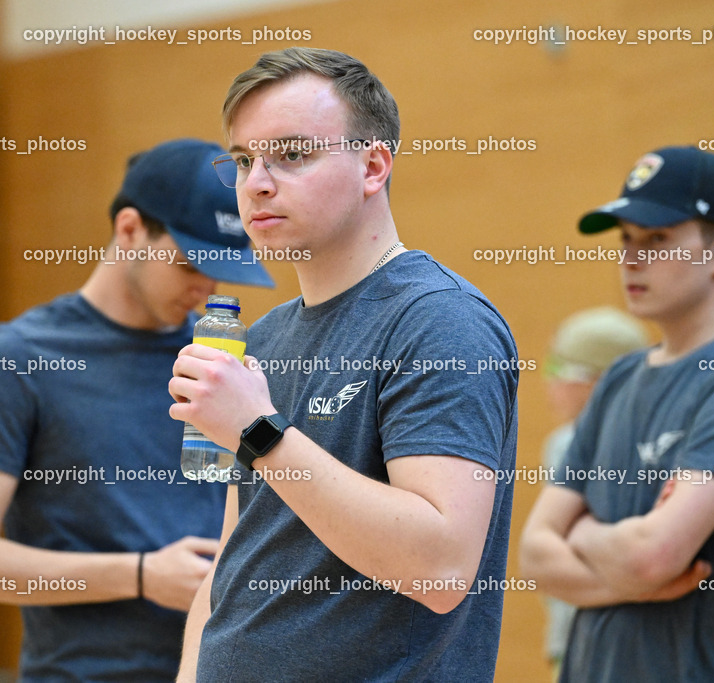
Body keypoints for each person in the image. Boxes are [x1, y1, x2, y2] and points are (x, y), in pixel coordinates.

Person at [169, 47, 518, 682]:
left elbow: (438, 569)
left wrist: (259, 433)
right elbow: (234, 557)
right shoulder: (266, 338)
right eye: (244, 160)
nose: (257, 182)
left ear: (373, 165)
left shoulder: (440, 321)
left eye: (292, 154)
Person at [0, 138, 273, 681]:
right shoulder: (22, 360)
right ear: (131, 230)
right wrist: (140, 575)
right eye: (189, 264)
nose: (205, 289)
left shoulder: (220, 363)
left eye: (220, 271)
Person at [520, 145, 714, 682]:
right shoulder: (619, 379)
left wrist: (584, 536)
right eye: (626, 239)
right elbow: (534, 557)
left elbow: (653, 557)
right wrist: (630, 564)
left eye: (658, 239)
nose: (631, 257)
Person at [538, 307, 647, 674]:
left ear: (600, 382)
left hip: (622, 648)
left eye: (559, 371)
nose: (549, 383)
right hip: (576, 644)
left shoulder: (649, 449)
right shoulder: (562, 444)